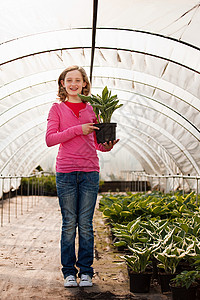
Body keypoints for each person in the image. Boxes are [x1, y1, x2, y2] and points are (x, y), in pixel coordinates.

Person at [45, 65, 119, 288]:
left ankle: (86, 271)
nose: (74, 84)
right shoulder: (56, 109)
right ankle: (69, 272)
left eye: (78, 80)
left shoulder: (92, 108)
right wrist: (79, 129)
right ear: (63, 84)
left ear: (85, 83)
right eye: (69, 80)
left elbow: (96, 144)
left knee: (85, 224)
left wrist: (107, 146)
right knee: (69, 224)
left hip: (89, 171)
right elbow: (50, 139)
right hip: (66, 172)